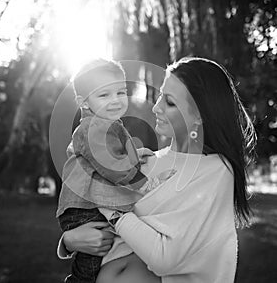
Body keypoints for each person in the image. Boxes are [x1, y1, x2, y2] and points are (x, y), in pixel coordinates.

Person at [58, 57, 256, 283]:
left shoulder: (216, 171)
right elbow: (85, 191)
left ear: (199, 117)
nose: (156, 107)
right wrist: (69, 241)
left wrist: (113, 212)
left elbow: (164, 258)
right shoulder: (147, 161)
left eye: (169, 102)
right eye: (161, 95)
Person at [56, 59, 168, 283]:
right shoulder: (93, 127)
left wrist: (138, 155)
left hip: (88, 203)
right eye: (104, 95)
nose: (115, 100)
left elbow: (117, 154)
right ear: (84, 102)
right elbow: (112, 165)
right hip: (84, 207)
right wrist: (144, 183)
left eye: (120, 92)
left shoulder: (106, 124)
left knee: (98, 252)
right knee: (90, 263)